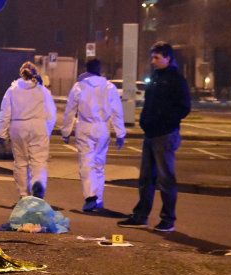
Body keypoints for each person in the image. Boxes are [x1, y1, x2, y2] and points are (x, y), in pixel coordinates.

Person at [118, 42, 191, 232]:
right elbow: (150, 104)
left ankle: (168, 219)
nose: (153, 61)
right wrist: (145, 121)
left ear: (168, 58)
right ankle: (141, 216)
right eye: (153, 57)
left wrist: (163, 121)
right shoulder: (157, 77)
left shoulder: (176, 80)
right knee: (145, 178)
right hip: (150, 134)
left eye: (157, 57)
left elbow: (184, 108)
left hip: (165, 134)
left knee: (166, 179)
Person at [61, 59, 126, 212]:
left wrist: (66, 131)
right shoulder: (109, 87)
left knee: (86, 162)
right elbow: (117, 111)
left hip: (85, 126)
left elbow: (70, 110)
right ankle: (99, 198)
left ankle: (90, 196)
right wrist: (120, 133)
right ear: (100, 69)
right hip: (102, 128)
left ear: (87, 69)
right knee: (99, 164)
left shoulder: (79, 86)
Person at [0, 62, 57, 199]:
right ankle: (38, 184)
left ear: (21, 74)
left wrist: (1, 133)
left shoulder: (12, 90)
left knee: (21, 162)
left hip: (18, 127)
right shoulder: (42, 91)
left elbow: (5, 113)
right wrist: (47, 130)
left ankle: (23, 194)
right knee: (39, 160)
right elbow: (51, 113)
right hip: (38, 126)